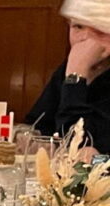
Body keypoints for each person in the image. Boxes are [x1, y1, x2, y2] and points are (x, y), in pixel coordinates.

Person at [26, 19, 110, 152]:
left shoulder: (76, 67)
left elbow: (80, 145)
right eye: (78, 26)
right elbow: (37, 126)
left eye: (99, 29)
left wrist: (75, 75)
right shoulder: (69, 67)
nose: (85, 38)